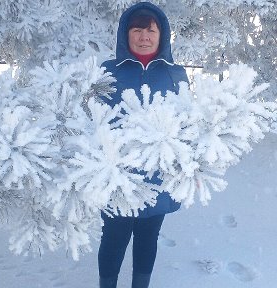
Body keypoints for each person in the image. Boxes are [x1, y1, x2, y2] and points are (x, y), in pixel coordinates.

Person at [98, 2, 189, 288]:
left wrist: (189, 167)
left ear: (162, 35)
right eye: (137, 29)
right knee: (113, 239)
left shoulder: (176, 74)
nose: (144, 36)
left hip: (158, 178)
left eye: (150, 29)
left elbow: (188, 123)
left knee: (148, 237)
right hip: (117, 176)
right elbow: (91, 119)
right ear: (126, 35)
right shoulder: (107, 71)